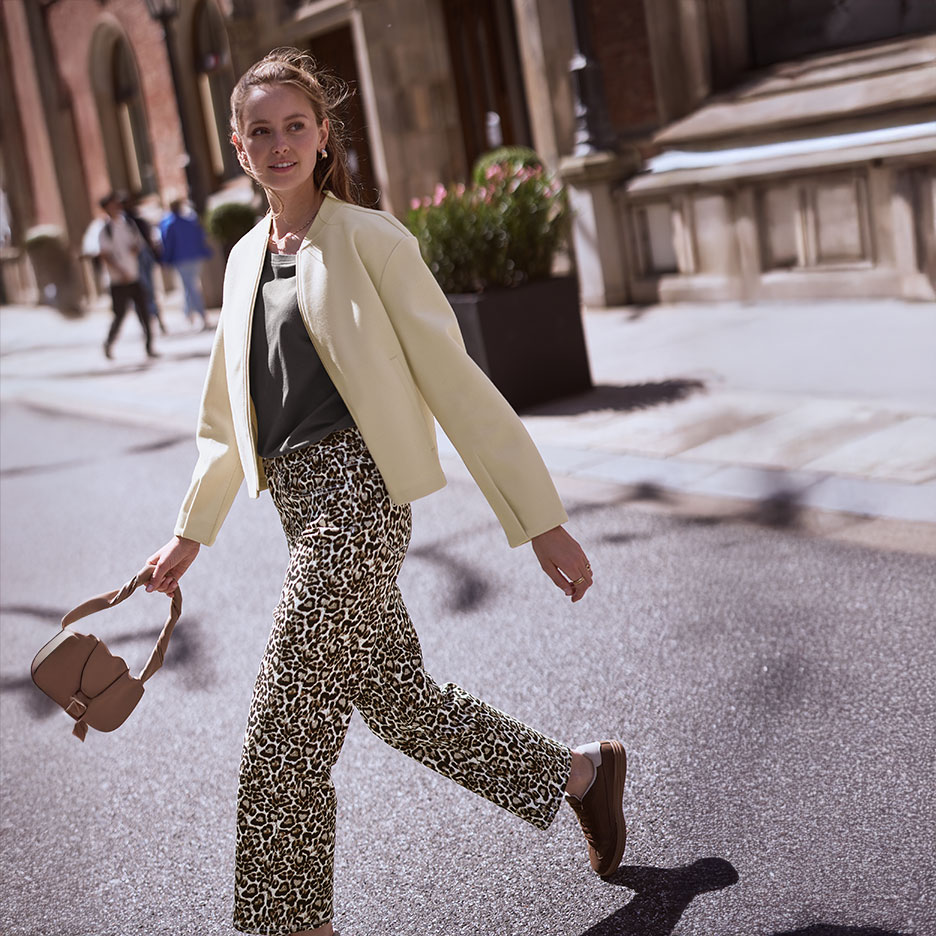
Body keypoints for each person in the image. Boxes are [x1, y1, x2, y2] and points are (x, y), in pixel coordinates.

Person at [145, 48, 625, 936]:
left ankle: (295, 928)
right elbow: (226, 417)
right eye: (261, 131)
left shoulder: (371, 241)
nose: (281, 143)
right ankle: (583, 777)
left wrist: (540, 522)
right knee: (403, 707)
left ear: (324, 135)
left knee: (283, 729)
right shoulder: (245, 259)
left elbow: (458, 381)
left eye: (298, 125)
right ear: (238, 147)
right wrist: (189, 535)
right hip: (299, 509)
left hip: (359, 503)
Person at [97, 192, 156, 360]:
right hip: (117, 281)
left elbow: (139, 244)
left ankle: (149, 346)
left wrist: (135, 250)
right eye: (113, 205)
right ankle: (109, 343)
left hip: (135, 276)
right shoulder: (104, 230)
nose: (117, 207)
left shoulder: (129, 224)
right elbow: (105, 255)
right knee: (120, 315)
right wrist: (120, 272)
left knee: (144, 312)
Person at [159, 198, 213, 330]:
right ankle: (188, 313)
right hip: (195, 257)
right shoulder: (190, 220)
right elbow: (200, 237)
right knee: (190, 287)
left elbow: (167, 243)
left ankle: (200, 316)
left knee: (190, 287)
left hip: (181, 259)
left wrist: (166, 259)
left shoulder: (169, 223)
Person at [122, 194, 167, 335]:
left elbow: (150, 239)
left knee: (150, 291)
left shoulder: (138, 221)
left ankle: (157, 320)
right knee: (140, 294)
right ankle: (147, 324)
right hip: (132, 263)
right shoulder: (122, 224)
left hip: (144, 258)